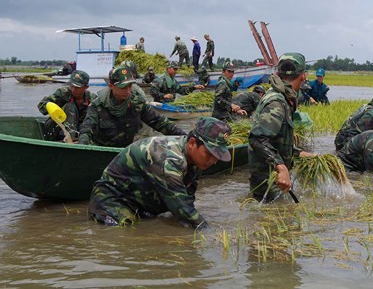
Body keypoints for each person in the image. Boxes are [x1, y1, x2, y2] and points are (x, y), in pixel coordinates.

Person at [88, 116, 232, 228]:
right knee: (125, 233)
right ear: (192, 143)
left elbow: (187, 198)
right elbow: (183, 208)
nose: (213, 161)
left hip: (141, 202)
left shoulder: (195, 159)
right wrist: (209, 232)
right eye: (209, 154)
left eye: (217, 156)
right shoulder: (167, 159)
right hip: (113, 200)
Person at [248, 52, 315, 203]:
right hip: (268, 181)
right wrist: (282, 167)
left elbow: (276, 141)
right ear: (303, 75)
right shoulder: (277, 102)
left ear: (278, 73)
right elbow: (257, 139)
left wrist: (299, 153)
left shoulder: (285, 97)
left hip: (276, 179)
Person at [78, 66, 186, 147]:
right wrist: (83, 147)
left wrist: (186, 137)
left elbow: (160, 122)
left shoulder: (137, 103)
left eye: (130, 86)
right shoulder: (98, 105)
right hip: (102, 150)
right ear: (111, 86)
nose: (128, 91)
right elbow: (86, 129)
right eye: (123, 87)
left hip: (124, 152)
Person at [37, 70, 97, 141]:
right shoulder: (63, 93)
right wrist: (52, 107)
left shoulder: (92, 99)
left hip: (80, 130)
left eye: (77, 87)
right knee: (70, 106)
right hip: (57, 128)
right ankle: (68, 140)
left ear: (86, 87)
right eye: (72, 86)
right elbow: (41, 105)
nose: (74, 89)